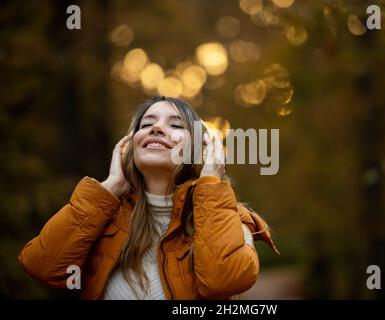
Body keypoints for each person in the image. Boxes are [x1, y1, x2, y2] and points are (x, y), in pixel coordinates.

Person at [18, 95, 280, 300]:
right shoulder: (101, 216)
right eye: (147, 124)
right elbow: (42, 267)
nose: (157, 127)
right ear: (129, 145)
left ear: (200, 149)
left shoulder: (229, 217)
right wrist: (110, 186)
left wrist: (211, 182)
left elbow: (223, 281)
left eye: (176, 125)